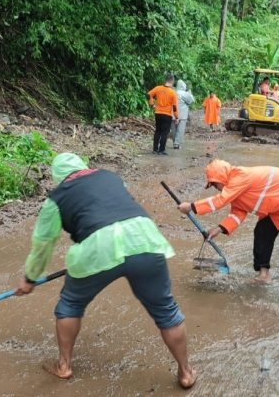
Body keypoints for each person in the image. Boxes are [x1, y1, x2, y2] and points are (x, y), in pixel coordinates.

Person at [18, 153, 196, 389]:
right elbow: (125, 204)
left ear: (59, 178)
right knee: (166, 310)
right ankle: (185, 372)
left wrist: (29, 278)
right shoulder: (110, 177)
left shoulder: (56, 199)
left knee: (70, 304)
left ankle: (64, 366)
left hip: (96, 247)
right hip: (143, 238)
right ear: (84, 167)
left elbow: (43, 244)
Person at [176, 159, 279, 301]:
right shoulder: (234, 189)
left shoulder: (240, 177)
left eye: (214, 184)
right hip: (276, 207)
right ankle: (264, 275)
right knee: (262, 233)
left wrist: (191, 207)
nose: (215, 187)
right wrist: (219, 229)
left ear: (221, 178)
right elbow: (237, 213)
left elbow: (220, 200)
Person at [147, 73, 179, 155]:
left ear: (165, 80)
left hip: (158, 113)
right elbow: (175, 107)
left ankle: (155, 149)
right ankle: (161, 150)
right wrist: (177, 117)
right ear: (172, 81)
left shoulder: (158, 88)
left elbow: (148, 94)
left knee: (158, 131)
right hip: (167, 115)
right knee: (165, 132)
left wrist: (152, 104)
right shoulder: (173, 93)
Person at [173, 79, 195, 149]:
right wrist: (190, 93)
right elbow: (191, 101)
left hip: (172, 114)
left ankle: (175, 142)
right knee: (180, 130)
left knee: (174, 130)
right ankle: (176, 144)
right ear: (183, 86)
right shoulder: (184, 93)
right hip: (182, 115)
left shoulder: (173, 92)